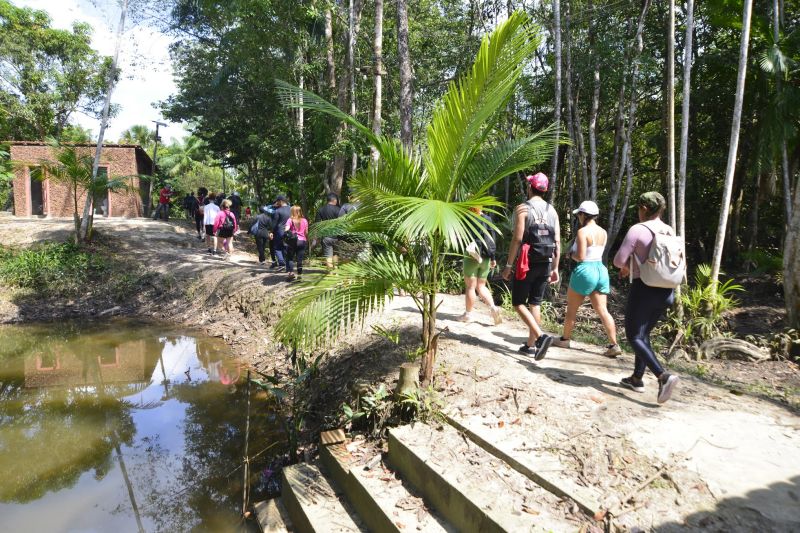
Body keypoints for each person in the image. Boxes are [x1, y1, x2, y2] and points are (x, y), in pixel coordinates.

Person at [613, 191, 680, 404]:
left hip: (644, 288)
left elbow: (618, 260)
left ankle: (663, 376)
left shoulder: (638, 230)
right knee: (644, 334)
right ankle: (636, 378)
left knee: (634, 336)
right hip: (666, 290)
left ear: (643, 208)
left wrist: (627, 266)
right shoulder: (668, 230)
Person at [501, 172, 560, 360]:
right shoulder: (552, 210)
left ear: (530, 187)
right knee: (535, 303)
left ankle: (541, 337)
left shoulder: (523, 209)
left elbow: (517, 239)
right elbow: (557, 242)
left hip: (527, 263)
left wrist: (509, 265)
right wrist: (555, 268)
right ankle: (530, 345)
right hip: (546, 262)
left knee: (518, 302)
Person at [552, 201, 621, 356]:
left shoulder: (583, 232)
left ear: (583, 215)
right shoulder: (603, 232)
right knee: (602, 310)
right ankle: (614, 345)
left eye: (579, 215)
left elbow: (581, 257)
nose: (578, 217)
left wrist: (570, 254)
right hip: (600, 270)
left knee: (571, 309)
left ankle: (564, 339)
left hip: (585, 271)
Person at [458, 207, 503, 325]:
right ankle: (493, 308)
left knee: (471, 287)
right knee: (481, 286)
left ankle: (467, 314)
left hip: (473, 256)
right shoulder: (488, 219)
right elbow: (492, 239)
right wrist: (493, 258)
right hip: (486, 258)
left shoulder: (470, 219)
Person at [315, 192, 341, 269]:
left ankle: (330, 273)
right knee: (336, 254)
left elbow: (317, 225)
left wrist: (316, 237)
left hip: (326, 237)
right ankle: (336, 271)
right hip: (337, 236)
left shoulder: (321, 210)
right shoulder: (339, 210)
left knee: (328, 255)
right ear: (335, 200)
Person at [284, 205, 309, 281]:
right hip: (302, 241)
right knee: (299, 260)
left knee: (290, 258)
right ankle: (299, 276)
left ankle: (291, 273)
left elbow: (286, 230)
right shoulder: (304, 220)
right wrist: (306, 239)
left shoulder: (290, 220)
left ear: (292, 211)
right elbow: (306, 232)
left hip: (293, 241)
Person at [269, 194, 291, 270]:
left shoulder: (278, 211)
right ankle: (287, 264)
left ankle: (281, 263)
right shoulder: (291, 209)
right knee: (286, 247)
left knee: (277, 247)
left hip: (279, 231)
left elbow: (274, 223)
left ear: (281, 201)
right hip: (289, 231)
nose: (277, 203)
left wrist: (271, 232)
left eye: (278, 201)